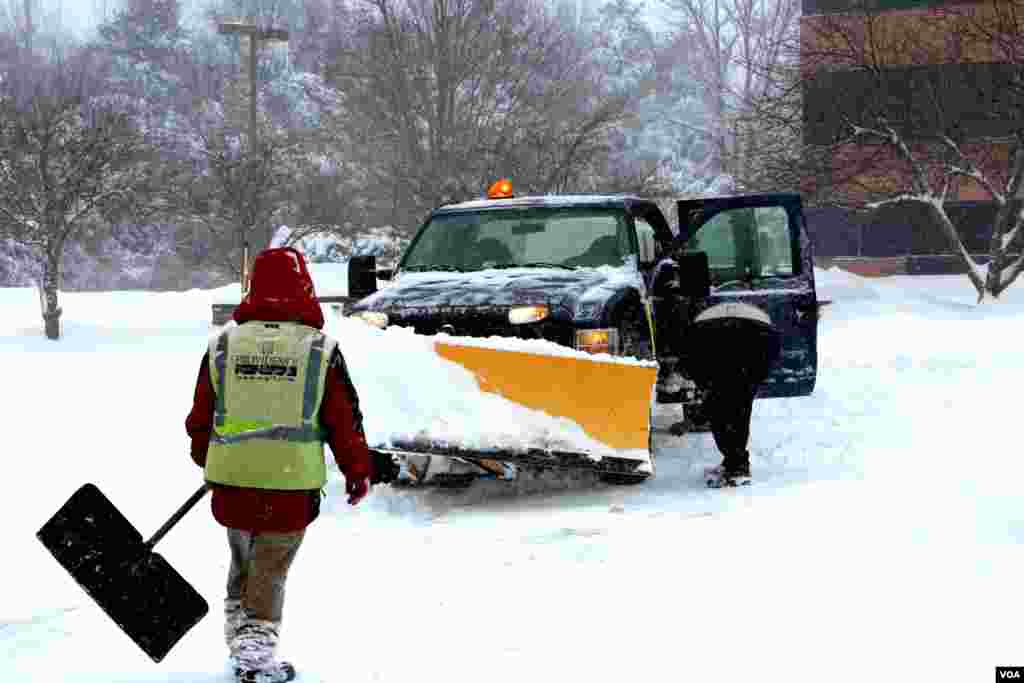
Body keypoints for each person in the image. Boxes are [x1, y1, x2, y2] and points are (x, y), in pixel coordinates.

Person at [186, 247, 373, 683]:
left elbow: (200, 417)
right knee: (270, 565)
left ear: (254, 287)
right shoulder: (319, 349)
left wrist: (209, 459)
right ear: (303, 286)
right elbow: (344, 419)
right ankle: (254, 651)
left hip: (231, 479)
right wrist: (357, 470)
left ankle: (241, 636)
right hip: (290, 483)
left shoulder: (223, 344)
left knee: (244, 559)